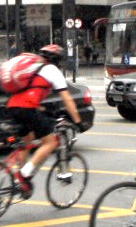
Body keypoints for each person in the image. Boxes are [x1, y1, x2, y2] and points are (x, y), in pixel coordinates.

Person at [6, 44, 83, 199]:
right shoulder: (52, 70)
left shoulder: (32, 69)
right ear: (57, 60)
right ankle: (24, 174)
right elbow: (66, 97)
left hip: (13, 106)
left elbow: (30, 92)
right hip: (27, 108)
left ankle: (19, 182)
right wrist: (77, 120)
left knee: (26, 141)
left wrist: (42, 110)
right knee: (50, 142)